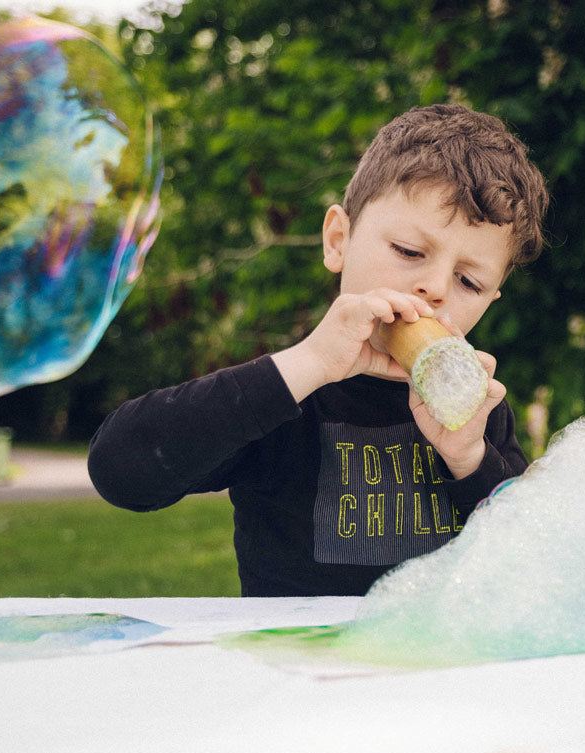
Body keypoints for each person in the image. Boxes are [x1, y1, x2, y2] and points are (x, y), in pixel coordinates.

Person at [88, 103, 548, 597]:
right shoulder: (286, 394)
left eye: (469, 281)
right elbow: (120, 471)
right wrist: (308, 364)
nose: (434, 288)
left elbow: (534, 576)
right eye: (410, 252)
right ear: (338, 241)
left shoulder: (479, 418)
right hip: (295, 666)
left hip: (431, 669)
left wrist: (472, 459)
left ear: (491, 298)